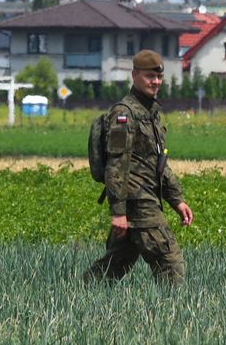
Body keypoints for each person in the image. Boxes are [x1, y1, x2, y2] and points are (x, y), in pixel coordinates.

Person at [83, 49, 194, 284]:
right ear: (134, 75)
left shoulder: (150, 112)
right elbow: (116, 165)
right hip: (136, 200)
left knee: (116, 263)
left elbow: (158, 162)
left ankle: (79, 294)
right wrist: (119, 213)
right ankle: (174, 314)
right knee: (169, 262)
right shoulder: (124, 114)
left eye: (159, 78)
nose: (155, 82)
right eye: (149, 77)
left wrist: (177, 199)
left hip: (147, 196)